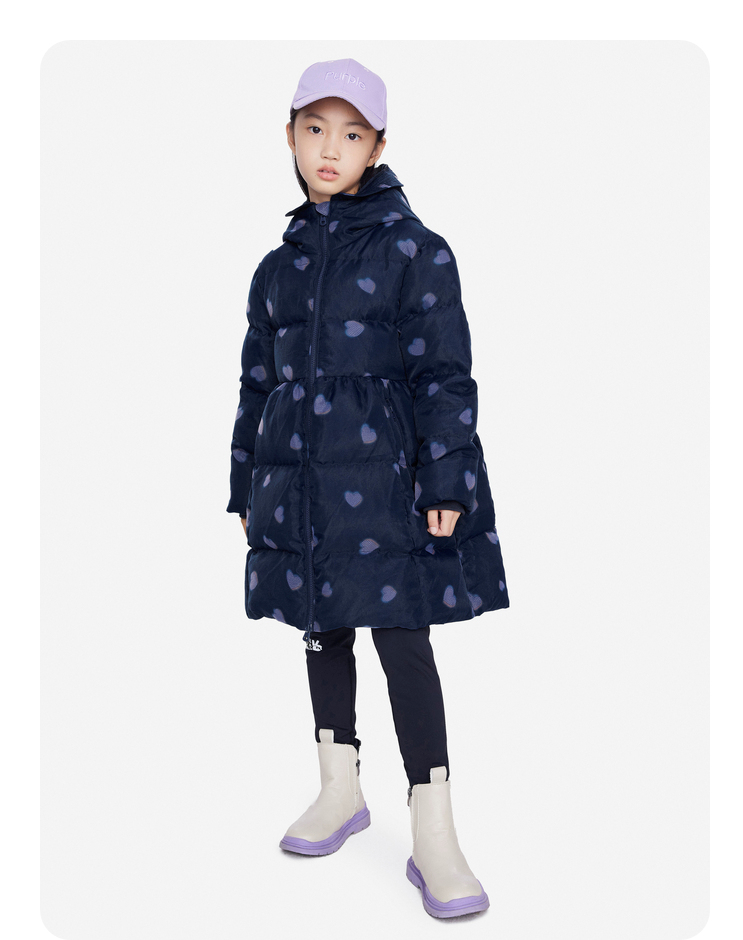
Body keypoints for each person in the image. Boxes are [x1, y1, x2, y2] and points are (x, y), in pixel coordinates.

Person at [226, 57, 509, 919]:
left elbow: (444, 375)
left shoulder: (415, 252)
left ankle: (435, 830)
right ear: (288, 135)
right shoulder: (276, 269)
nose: (329, 149)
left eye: (351, 134)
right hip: (301, 485)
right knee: (321, 628)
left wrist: (447, 479)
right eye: (315, 129)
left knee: (401, 639)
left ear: (377, 147)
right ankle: (339, 786)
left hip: (388, 485)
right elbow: (256, 384)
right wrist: (245, 486)